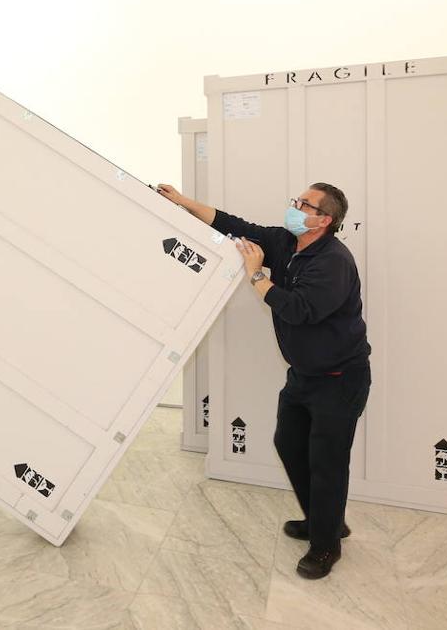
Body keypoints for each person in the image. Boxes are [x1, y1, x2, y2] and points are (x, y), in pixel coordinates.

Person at [157, 182, 370, 580]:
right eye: (296, 200)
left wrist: (256, 276)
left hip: (340, 378)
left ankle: (326, 546)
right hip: (304, 374)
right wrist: (184, 203)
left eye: (304, 204)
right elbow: (235, 226)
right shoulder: (287, 242)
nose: (295, 207)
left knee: (327, 462)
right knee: (288, 443)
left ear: (323, 220)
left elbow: (300, 310)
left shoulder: (333, 262)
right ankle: (323, 519)